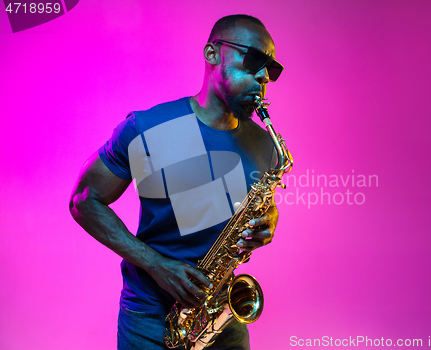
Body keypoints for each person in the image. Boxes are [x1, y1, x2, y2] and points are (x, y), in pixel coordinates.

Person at [69, 14, 284, 350]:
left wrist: (269, 219)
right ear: (213, 54)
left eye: (271, 69)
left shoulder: (265, 145)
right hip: (151, 317)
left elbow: (261, 205)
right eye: (254, 60)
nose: (262, 76)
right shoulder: (148, 127)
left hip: (223, 314)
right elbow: (84, 200)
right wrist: (157, 265)